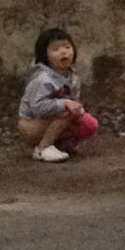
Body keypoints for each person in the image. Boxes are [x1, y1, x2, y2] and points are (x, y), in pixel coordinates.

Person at [17, 27, 98, 162]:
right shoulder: (43, 79)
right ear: (45, 55)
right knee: (66, 112)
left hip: (52, 119)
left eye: (67, 47)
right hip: (32, 123)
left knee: (88, 122)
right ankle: (43, 148)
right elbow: (37, 108)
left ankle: (62, 145)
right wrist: (64, 104)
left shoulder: (72, 77)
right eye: (55, 49)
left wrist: (77, 109)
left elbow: (73, 100)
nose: (63, 52)